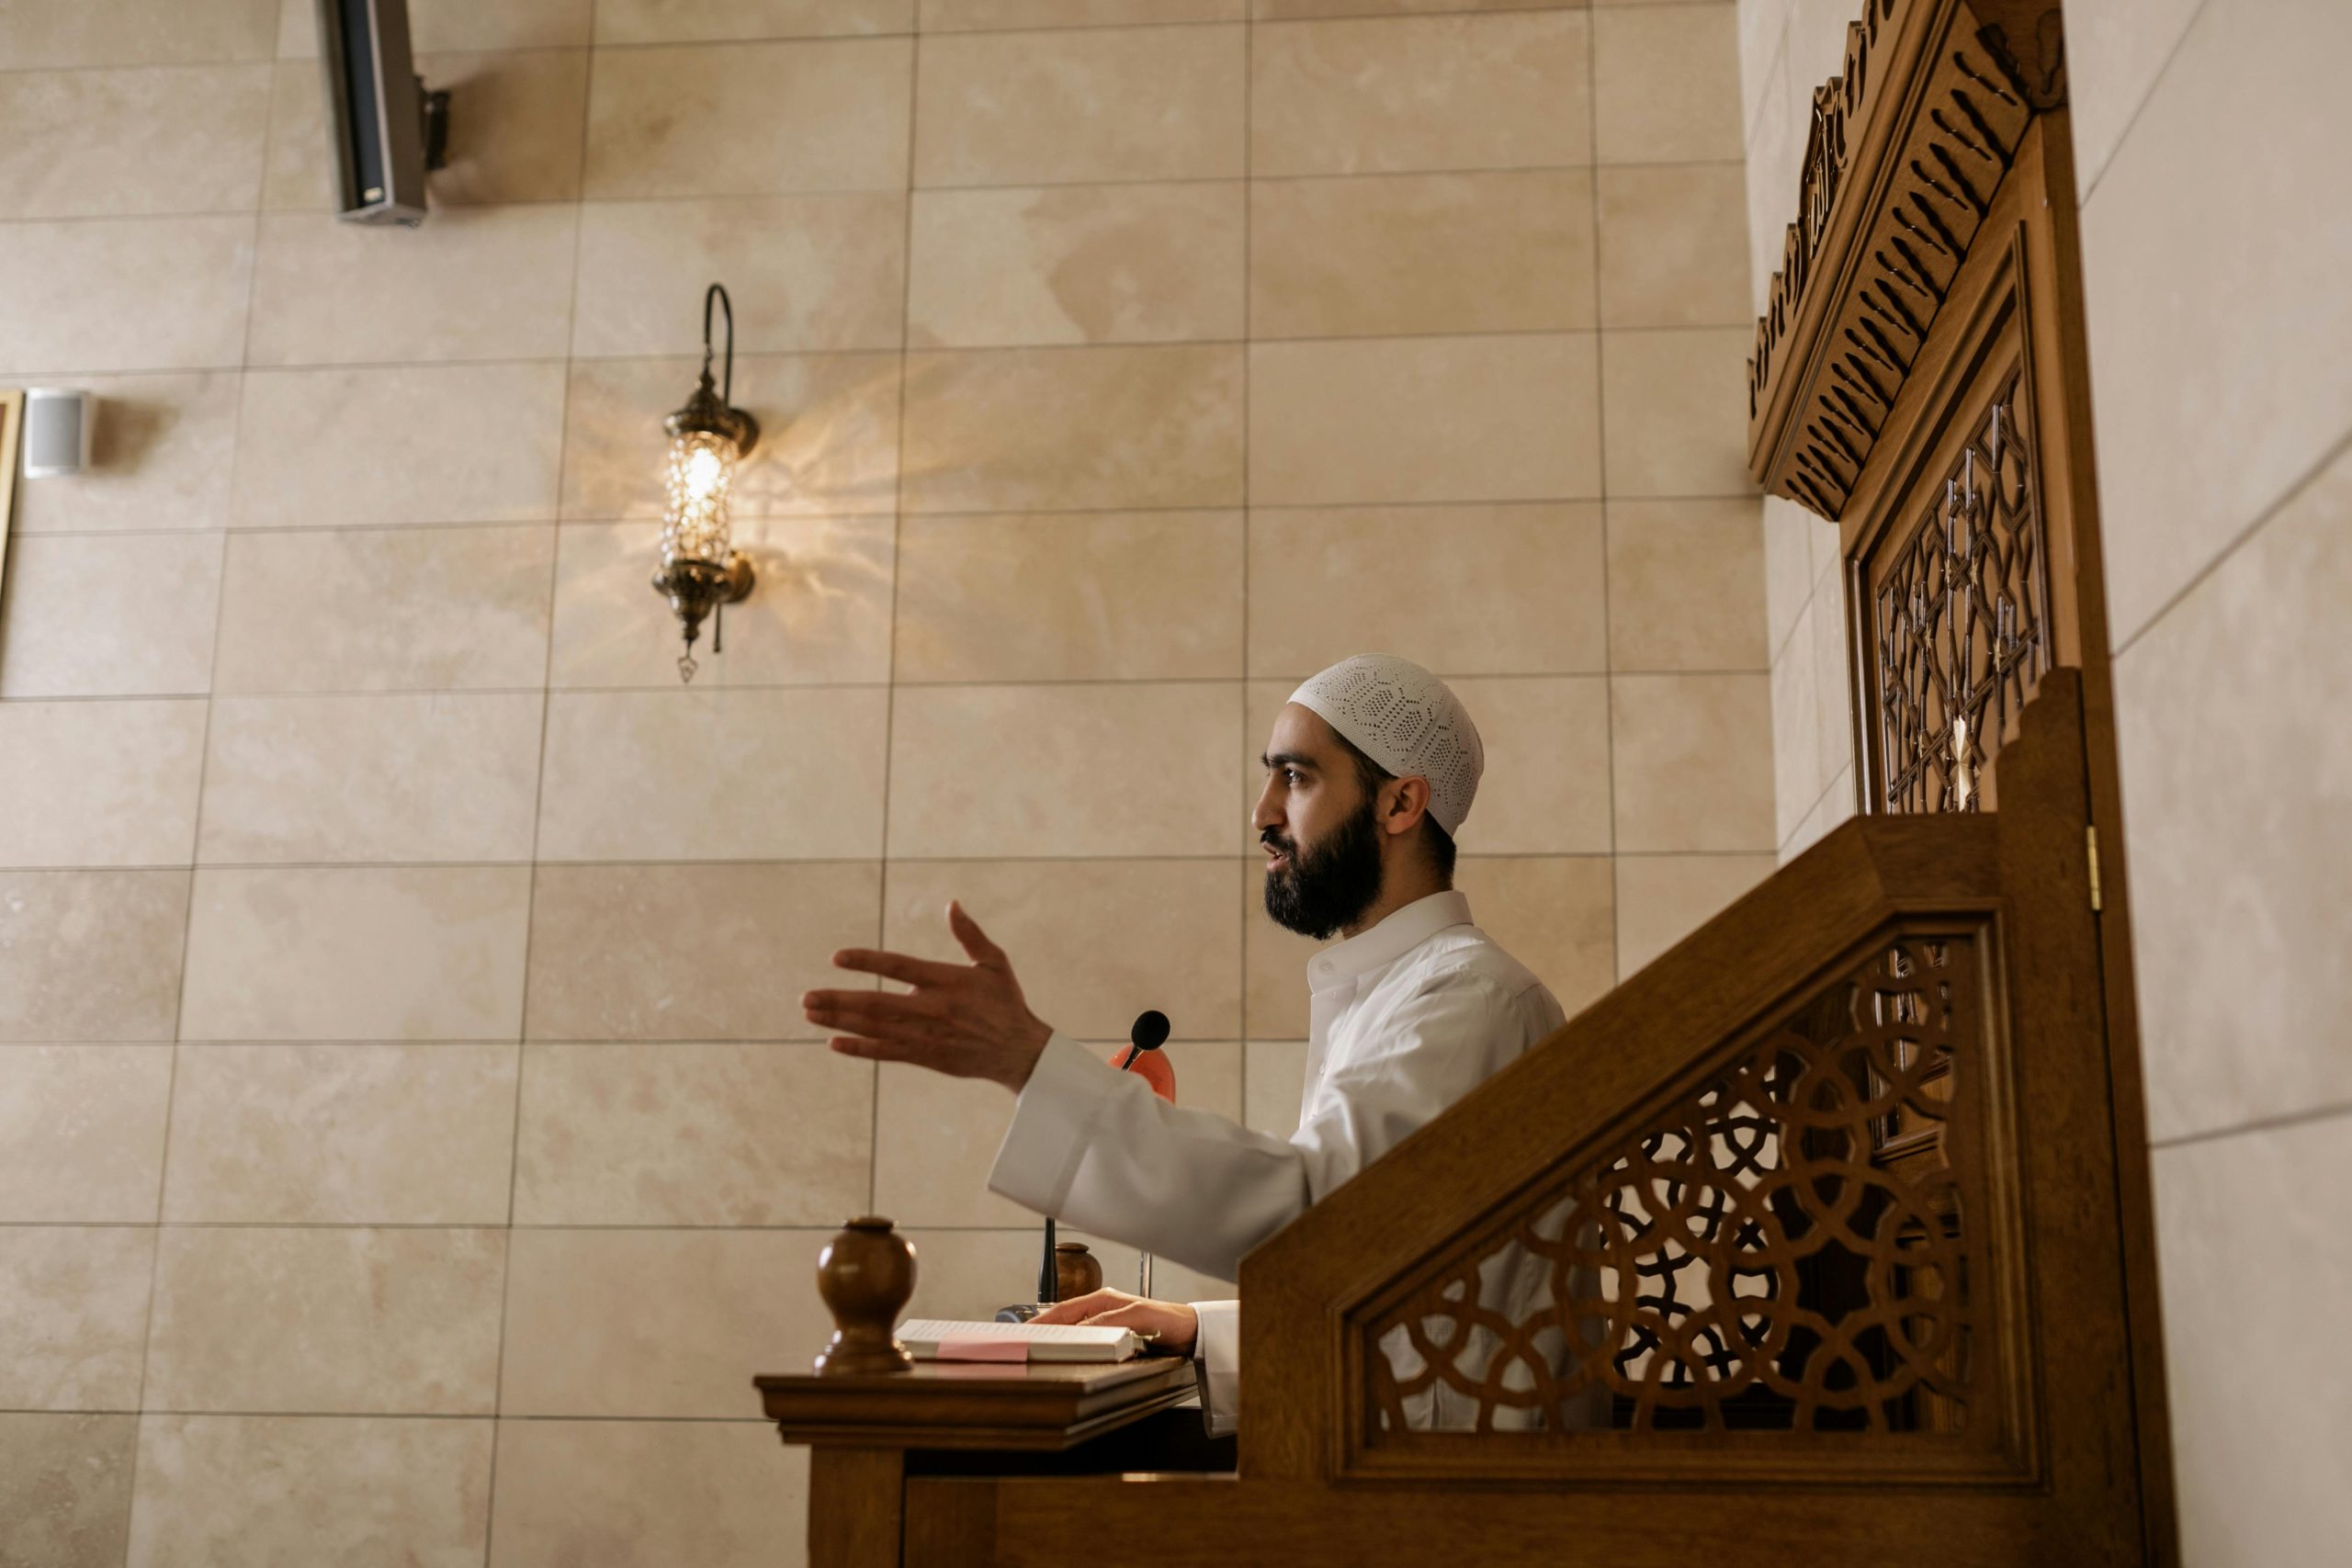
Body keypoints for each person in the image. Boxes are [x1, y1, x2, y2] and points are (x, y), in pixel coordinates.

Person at [801, 654, 1566, 1434]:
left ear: (1401, 802)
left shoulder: (1471, 999)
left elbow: (1321, 1226)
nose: (1264, 812)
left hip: (1458, 1509)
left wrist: (1027, 1058)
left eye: (1296, 778)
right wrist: (1200, 1326)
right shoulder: (1403, 989)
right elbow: (1404, 1295)